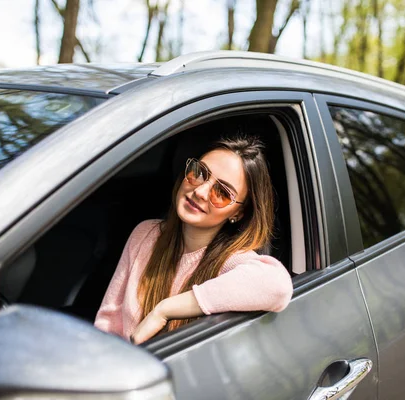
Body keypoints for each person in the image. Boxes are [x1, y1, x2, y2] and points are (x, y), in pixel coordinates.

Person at [94, 135, 293, 344]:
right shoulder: (145, 234)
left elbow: (278, 287)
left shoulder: (232, 262)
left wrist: (164, 309)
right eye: (199, 173)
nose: (200, 191)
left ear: (238, 213)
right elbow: (108, 326)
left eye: (222, 192)